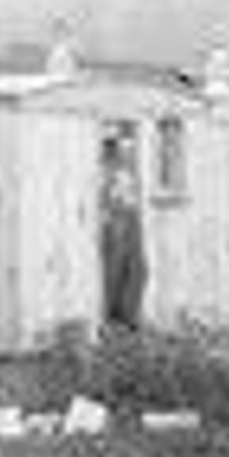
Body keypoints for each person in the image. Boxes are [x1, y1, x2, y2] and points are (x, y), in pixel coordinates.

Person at [100, 141, 149, 332]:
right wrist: (112, 215)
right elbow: (108, 200)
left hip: (130, 217)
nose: (125, 155)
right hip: (117, 219)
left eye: (128, 151)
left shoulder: (124, 173)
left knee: (139, 269)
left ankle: (129, 314)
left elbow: (130, 198)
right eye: (122, 151)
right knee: (114, 270)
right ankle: (117, 315)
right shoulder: (106, 173)